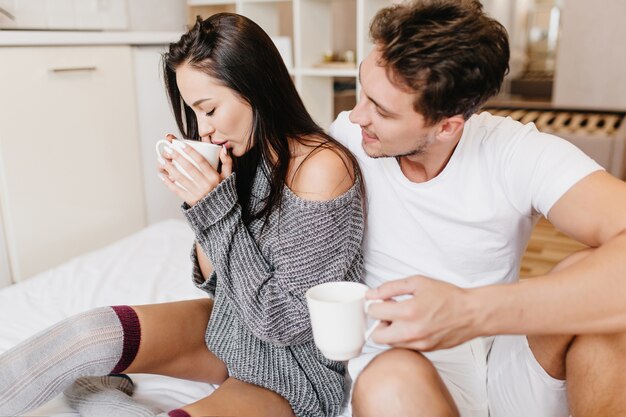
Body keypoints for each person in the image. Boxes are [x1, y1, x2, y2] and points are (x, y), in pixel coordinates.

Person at [0, 13, 365, 417]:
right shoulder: (245, 153)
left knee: (92, 382)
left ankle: (96, 392)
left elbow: (281, 323)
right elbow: (216, 284)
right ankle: (91, 386)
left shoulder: (322, 167)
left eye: (209, 109)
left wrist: (215, 207)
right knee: (84, 337)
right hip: (230, 329)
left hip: (294, 370)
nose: (202, 129)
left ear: (255, 87)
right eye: (194, 113)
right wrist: (200, 202)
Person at [328, 1, 626, 416]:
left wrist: (471, 312)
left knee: (599, 299)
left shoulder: (512, 151)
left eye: (381, 110)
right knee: (390, 379)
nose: (357, 116)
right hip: (399, 371)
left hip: (500, 358)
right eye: (363, 90)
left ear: (447, 126)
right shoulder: (343, 142)